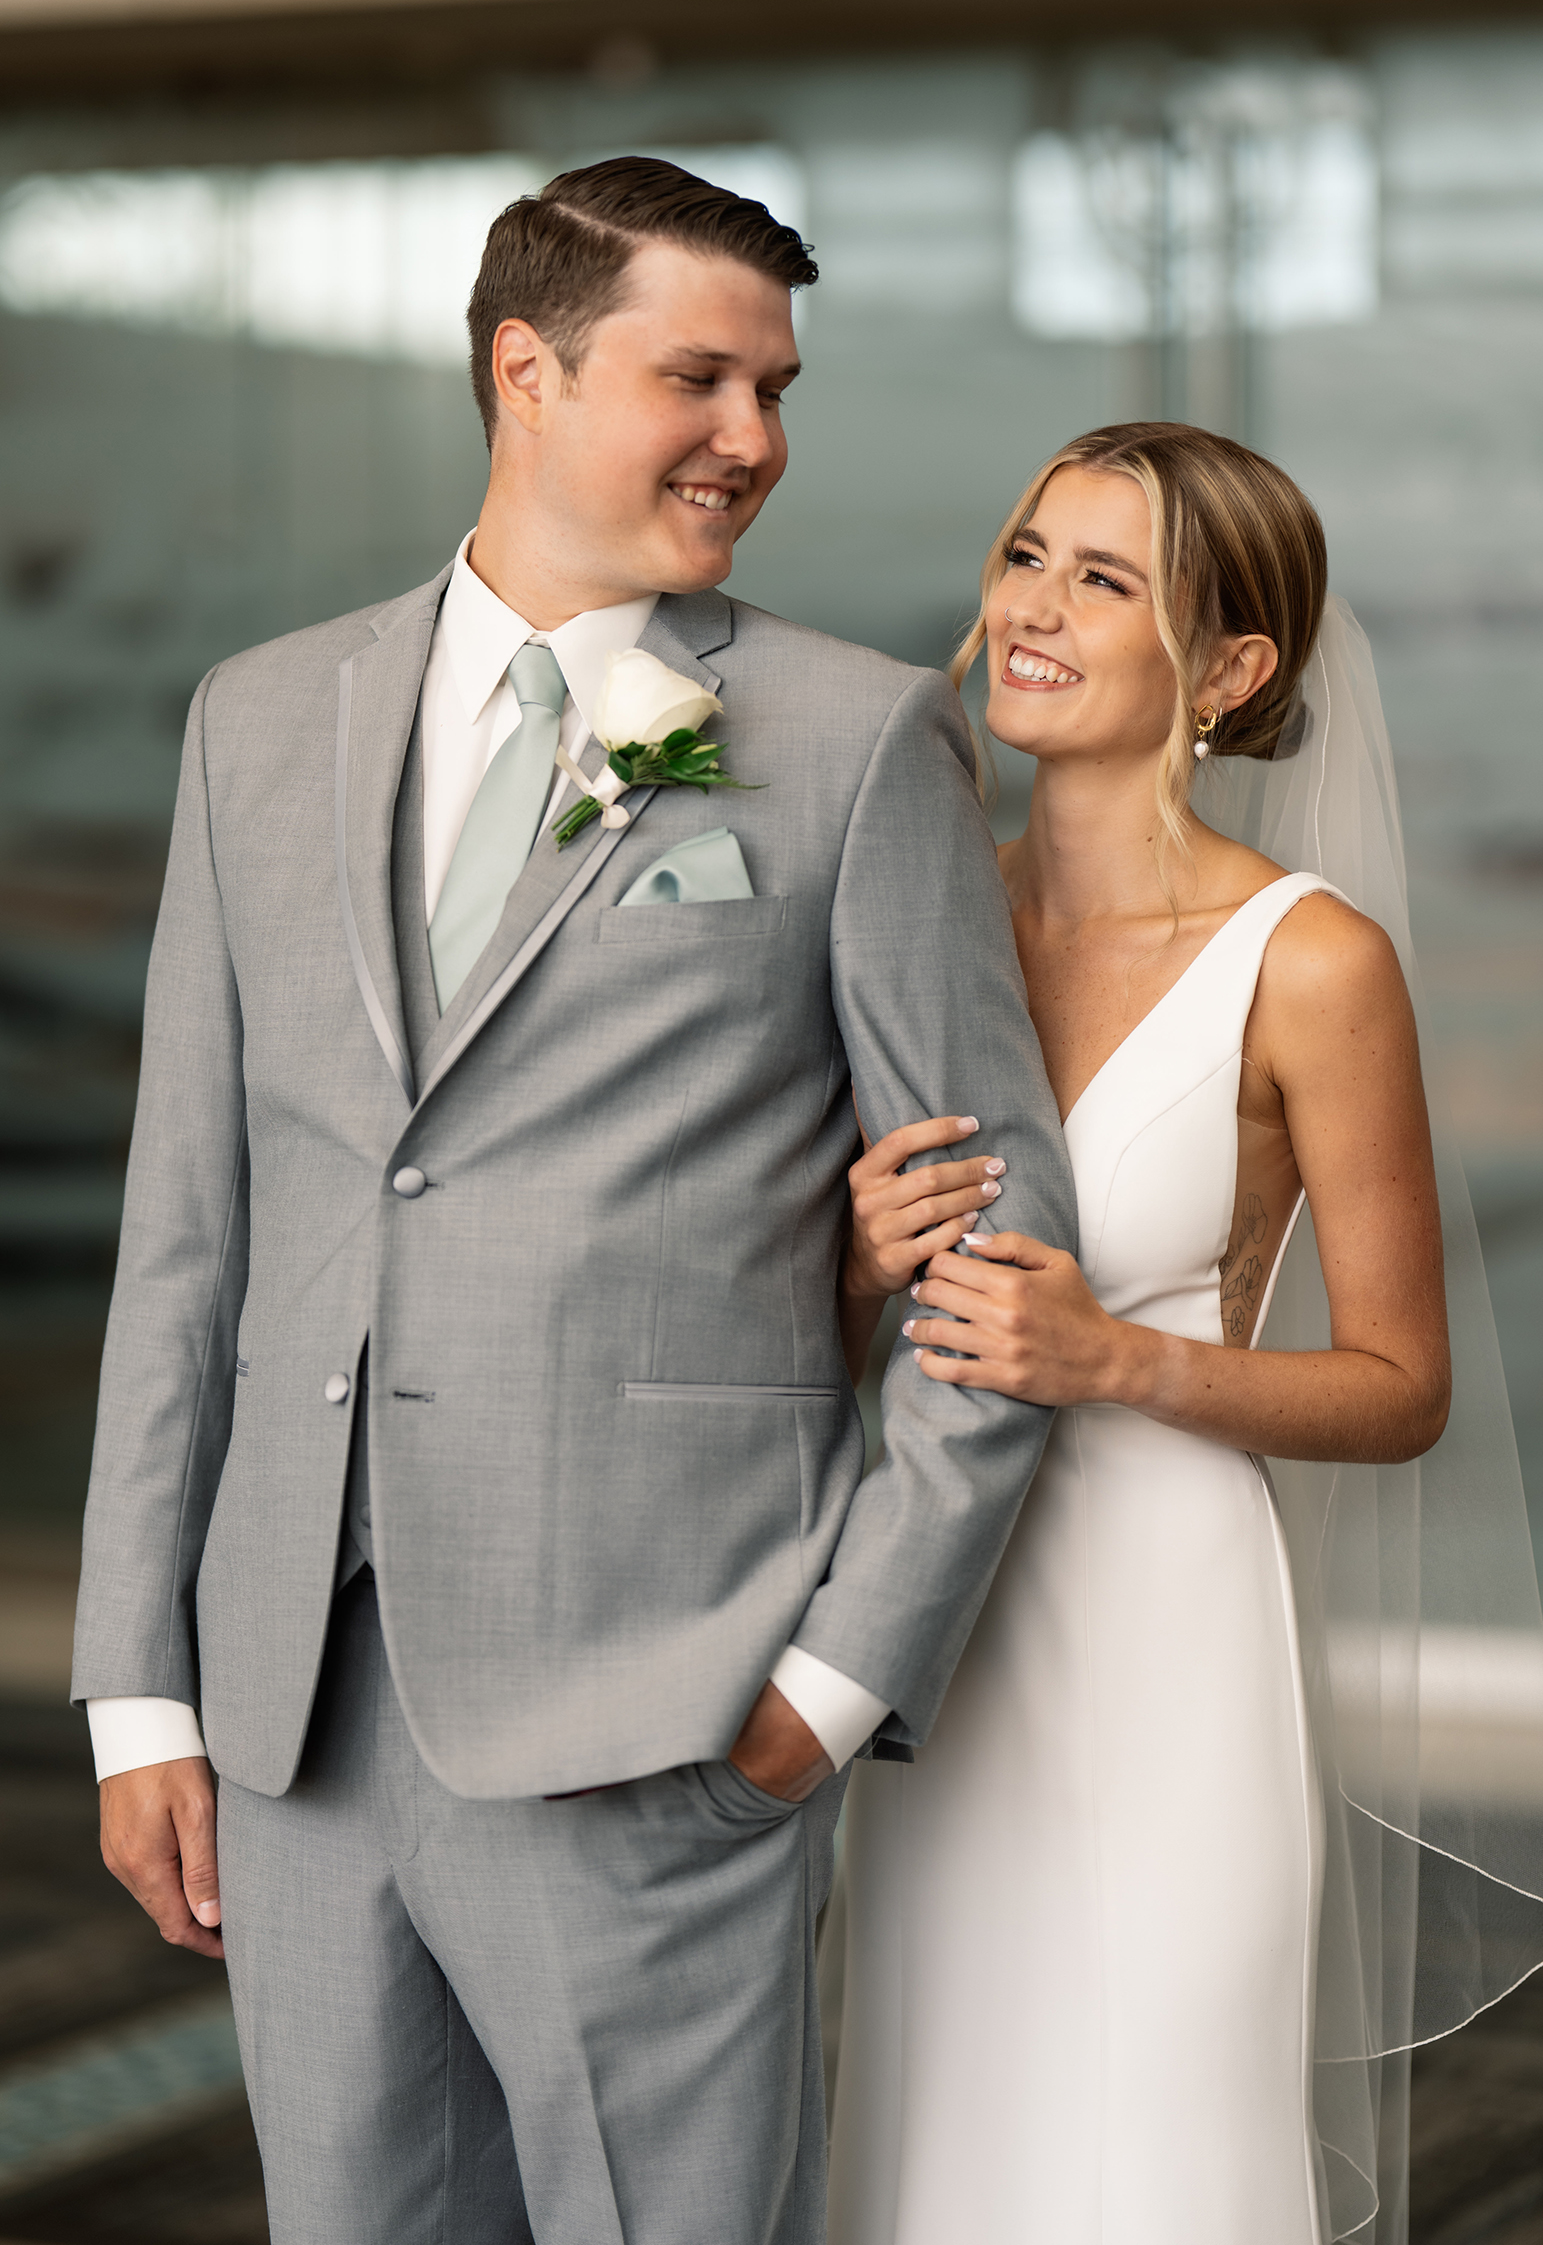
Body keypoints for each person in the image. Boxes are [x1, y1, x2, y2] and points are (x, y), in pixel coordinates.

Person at [72, 158, 1077, 2245]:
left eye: (778, 386)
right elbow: (189, 1230)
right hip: (292, 1713)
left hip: (664, 1702)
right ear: (524, 369)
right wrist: (142, 1686)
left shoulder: (854, 734)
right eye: (697, 374)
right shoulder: (258, 720)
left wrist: (830, 1682)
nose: (756, 438)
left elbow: (1001, 1240)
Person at [827, 423, 1543, 2244]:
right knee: (936, 2140)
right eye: (1027, 556)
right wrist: (853, 1265)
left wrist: (1120, 1360)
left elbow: (1402, 1390)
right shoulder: (905, 915)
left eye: (1110, 582)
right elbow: (831, 1326)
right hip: (931, 1625)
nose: (1036, 609)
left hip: (1163, 1645)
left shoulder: (1312, 964)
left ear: (1230, 671)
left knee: (1152, 2152)